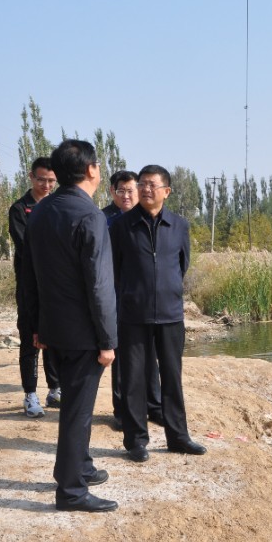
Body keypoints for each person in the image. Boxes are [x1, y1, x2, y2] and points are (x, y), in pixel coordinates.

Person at [21, 139, 118, 513]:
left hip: (54, 328)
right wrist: (107, 339)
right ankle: (72, 491)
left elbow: (27, 278)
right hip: (83, 333)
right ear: (92, 170)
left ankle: (81, 467)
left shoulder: (41, 211)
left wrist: (34, 327)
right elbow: (99, 285)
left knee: (75, 407)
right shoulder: (89, 215)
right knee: (78, 411)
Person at [110, 164, 205, 462]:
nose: (146, 189)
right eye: (142, 184)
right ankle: (136, 440)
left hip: (170, 314)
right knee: (134, 379)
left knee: (172, 377)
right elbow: (114, 269)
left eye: (152, 184)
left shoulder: (179, 225)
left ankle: (178, 436)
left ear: (167, 191)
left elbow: (182, 264)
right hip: (133, 315)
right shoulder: (121, 226)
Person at [103, 170, 163, 431]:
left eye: (132, 190)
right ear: (112, 192)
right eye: (122, 191)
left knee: (149, 353)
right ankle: (122, 410)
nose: (128, 195)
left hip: (144, 298)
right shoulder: (103, 219)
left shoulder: (145, 217)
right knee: (120, 355)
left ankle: (153, 405)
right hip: (114, 295)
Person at [9, 157, 60, 418]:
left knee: (54, 336)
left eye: (52, 180)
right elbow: (26, 246)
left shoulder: (57, 206)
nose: (47, 184)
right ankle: (30, 394)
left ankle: (55, 388)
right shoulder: (20, 209)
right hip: (31, 284)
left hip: (55, 285)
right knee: (31, 337)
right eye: (42, 179)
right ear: (31, 177)